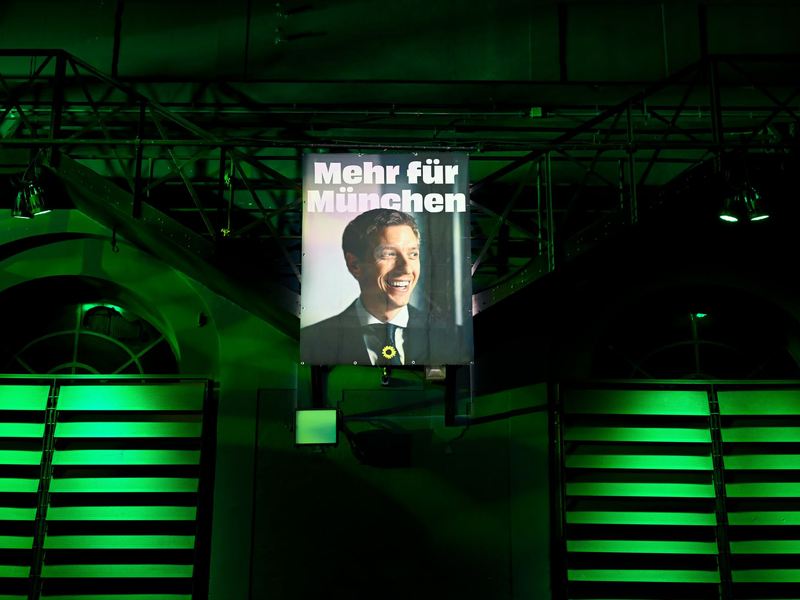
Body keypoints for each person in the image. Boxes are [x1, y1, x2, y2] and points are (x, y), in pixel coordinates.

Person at [300, 208, 432, 366]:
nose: (406, 268)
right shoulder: (312, 342)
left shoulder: (450, 337)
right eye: (389, 254)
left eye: (413, 254)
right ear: (355, 265)